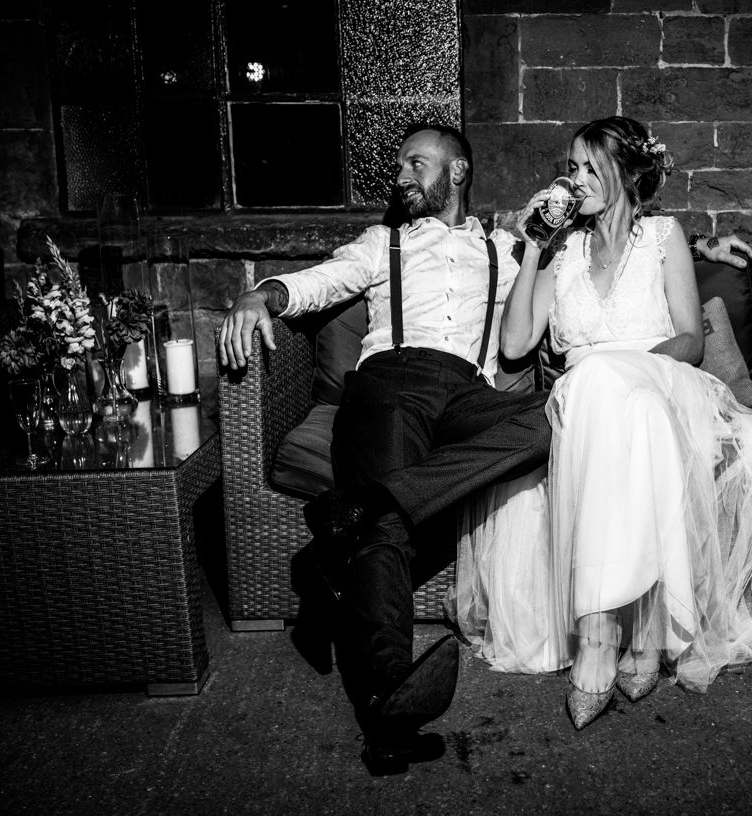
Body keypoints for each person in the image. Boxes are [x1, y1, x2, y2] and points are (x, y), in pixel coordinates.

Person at [219, 123, 553, 775]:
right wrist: (262, 293)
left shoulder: (505, 249)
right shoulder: (382, 243)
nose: (401, 175)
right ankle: (388, 708)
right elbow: (319, 283)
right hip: (391, 383)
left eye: (416, 163)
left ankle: (354, 515)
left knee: (557, 417)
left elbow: (579, 281)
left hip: (469, 392)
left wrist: (699, 247)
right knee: (389, 533)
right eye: (399, 165)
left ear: (457, 172)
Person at [452, 115, 752, 731]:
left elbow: (690, 339)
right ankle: (637, 633)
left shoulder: (665, 235)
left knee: (619, 391)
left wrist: (623, 368)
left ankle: (600, 637)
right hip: (587, 402)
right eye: (572, 167)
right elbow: (515, 345)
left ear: (627, 174)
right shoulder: (562, 251)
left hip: (662, 379)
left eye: (592, 167)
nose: (577, 179)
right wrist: (534, 247)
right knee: (604, 394)